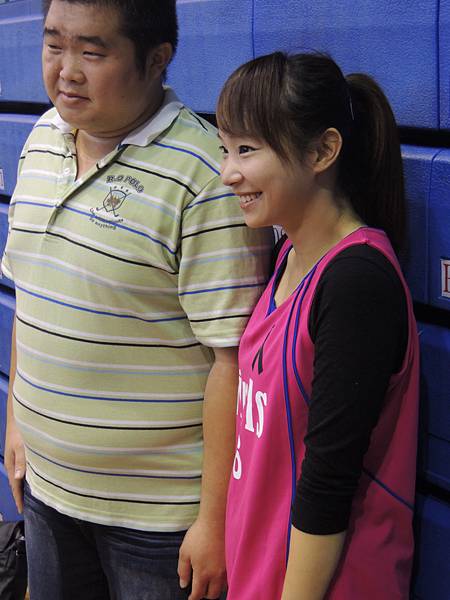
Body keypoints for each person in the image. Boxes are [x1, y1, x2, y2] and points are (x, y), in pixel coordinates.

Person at [1, 1, 272, 599]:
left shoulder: (206, 176)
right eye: (53, 45)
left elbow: (232, 362)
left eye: (91, 52)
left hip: (159, 525)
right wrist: (16, 422)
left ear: (156, 59)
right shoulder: (42, 138)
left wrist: (215, 520)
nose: (65, 71)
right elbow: (30, 295)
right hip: (47, 494)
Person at [217, 52, 419, 599]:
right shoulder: (288, 255)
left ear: (323, 151)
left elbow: (328, 485)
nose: (228, 172)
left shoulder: (356, 283)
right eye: (224, 149)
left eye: (247, 150)